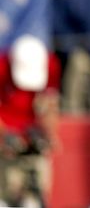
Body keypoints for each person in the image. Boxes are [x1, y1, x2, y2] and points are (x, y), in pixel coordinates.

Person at [0, 34, 61, 207]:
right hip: (6, 130)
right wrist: (4, 135)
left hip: (31, 129)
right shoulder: (2, 66)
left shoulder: (50, 65)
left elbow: (50, 103)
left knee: (39, 182)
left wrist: (49, 134)